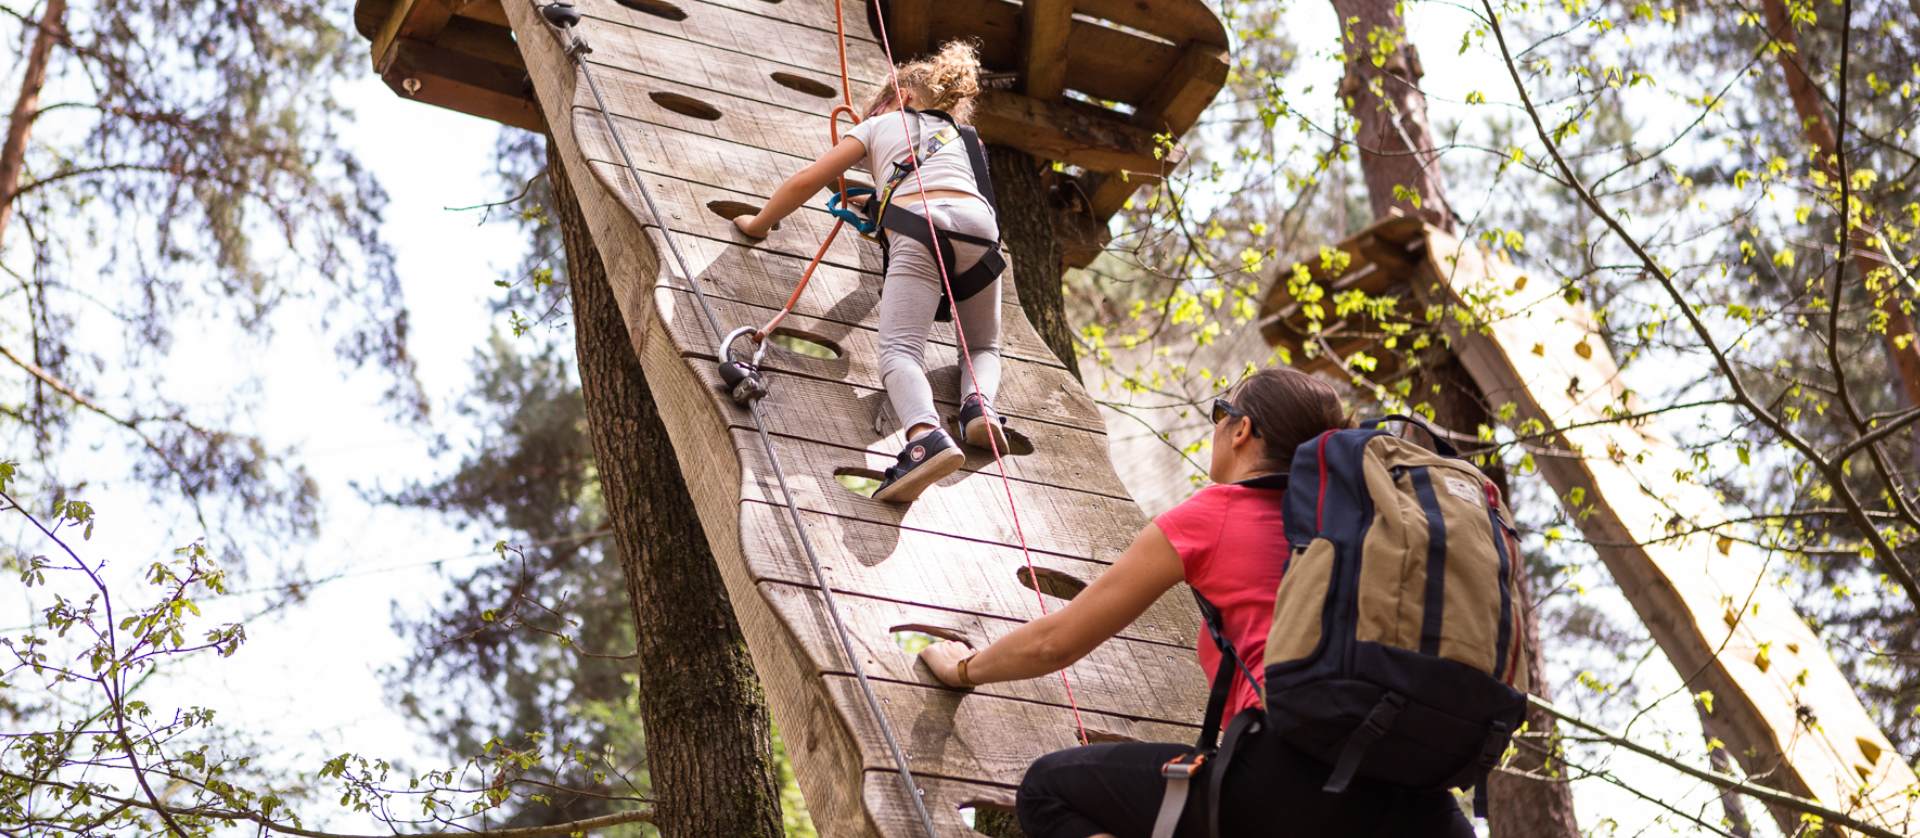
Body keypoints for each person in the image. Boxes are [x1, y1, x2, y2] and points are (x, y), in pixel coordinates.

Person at [916, 368, 1477, 837]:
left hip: (1292, 778)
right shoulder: (1372, 531)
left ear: (1242, 430)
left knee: (1047, 792)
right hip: (1422, 799)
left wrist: (963, 667)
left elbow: (1054, 642)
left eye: (1220, 412)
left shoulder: (1213, 515)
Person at [733, 40, 1007, 503]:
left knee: (901, 350)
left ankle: (924, 437)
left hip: (921, 229)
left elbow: (807, 181)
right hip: (982, 234)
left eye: (872, 107)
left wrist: (758, 223)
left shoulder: (882, 124)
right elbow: (939, 186)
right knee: (981, 344)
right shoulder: (969, 141)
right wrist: (881, 205)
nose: (865, 117)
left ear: (900, 98)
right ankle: (979, 407)